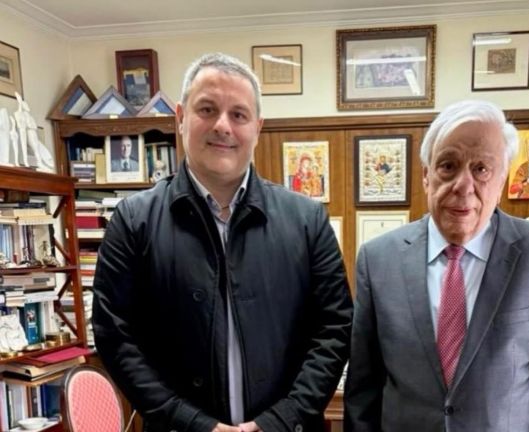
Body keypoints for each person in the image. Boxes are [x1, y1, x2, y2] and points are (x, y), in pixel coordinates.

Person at [92, 52, 353, 432]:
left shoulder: (307, 220)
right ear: (181, 116)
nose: (222, 126)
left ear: (257, 128)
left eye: (239, 114)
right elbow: (114, 337)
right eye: (207, 109)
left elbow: (334, 329)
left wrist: (279, 420)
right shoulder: (133, 221)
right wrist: (193, 423)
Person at [344, 100, 529, 431]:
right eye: (448, 166)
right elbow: (362, 391)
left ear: (502, 180)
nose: (463, 185)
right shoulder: (377, 260)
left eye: (481, 169)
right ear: (426, 175)